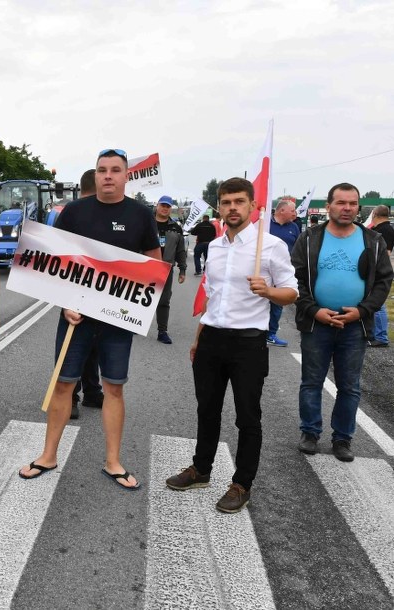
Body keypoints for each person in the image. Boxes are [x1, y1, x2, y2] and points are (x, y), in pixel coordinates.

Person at [19, 149, 161, 489]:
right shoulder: (74, 211)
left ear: (127, 175)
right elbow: (54, 260)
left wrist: (136, 308)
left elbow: (154, 265)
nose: (108, 175)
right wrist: (64, 303)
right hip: (75, 317)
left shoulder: (140, 214)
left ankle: (113, 461)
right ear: (94, 175)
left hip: (116, 320)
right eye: (101, 170)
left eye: (115, 170)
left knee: (114, 387)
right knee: (64, 384)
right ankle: (48, 455)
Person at [165, 177, 298, 513]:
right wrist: (198, 338)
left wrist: (268, 290)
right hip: (212, 339)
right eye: (226, 202)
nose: (233, 208)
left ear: (252, 206)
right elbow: (212, 298)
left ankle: (242, 484)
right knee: (206, 409)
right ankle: (201, 469)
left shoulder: (269, 247)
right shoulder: (216, 247)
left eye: (239, 201)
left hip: (248, 344)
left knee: (247, 417)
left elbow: (292, 291)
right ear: (220, 207)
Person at [293, 184, 393, 461]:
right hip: (317, 324)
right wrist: (313, 310)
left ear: (358, 207)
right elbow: (295, 279)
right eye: (341, 203)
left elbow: (384, 281)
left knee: (349, 386)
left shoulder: (373, 239)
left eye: (352, 203)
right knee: (311, 381)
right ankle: (310, 432)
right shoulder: (311, 238)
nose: (347, 208)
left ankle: (342, 438)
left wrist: (362, 311)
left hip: (354, 325)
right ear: (329, 206)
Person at [68, 168, 104, 419]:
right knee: (81, 344)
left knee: (86, 343)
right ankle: (75, 394)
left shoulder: (75, 212)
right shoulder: (77, 214)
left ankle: (88, 391)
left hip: (81, 289)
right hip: (95, 289)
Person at [266, 200, 302, 347]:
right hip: (264, 272)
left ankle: (270, 334)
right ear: (282, 211)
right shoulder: (265, 224)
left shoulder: (294, 227)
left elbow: (298, 249)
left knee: (277, 305)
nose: (295, 214)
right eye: (293, 211)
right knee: (258, 302)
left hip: (283, 273)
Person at [153, 195, 188, 344]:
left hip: (165, 268)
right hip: (146, 266)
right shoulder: (147, 224)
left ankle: (162, 331)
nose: (165, 208)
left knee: (164, 300)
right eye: (163, 205)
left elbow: (180, 251)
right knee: (138, 297)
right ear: (157, 206)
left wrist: (182, 269)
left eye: (168, 206)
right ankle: (133, 324)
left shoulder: (176, 228)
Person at [368, 205, 394, 347]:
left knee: (379, 305)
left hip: (378, 272)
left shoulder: (385, 230)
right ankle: (373, 334)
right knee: (373, 304)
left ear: (375, 214)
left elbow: (386, 252)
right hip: (373, 271)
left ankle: (381, 337)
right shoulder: (380, 229)